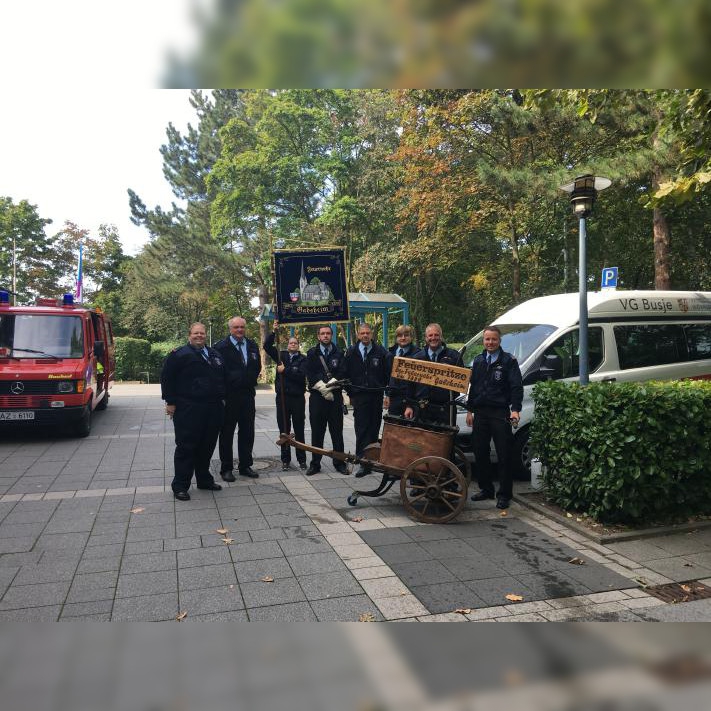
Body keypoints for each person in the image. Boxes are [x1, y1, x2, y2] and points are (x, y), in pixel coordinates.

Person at [160, 322, 225, 501]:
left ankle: (204, 479)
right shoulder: (179, 355)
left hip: (213, 408)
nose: (199, 336)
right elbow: (167, 378)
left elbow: (222, 378)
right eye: (196, 333)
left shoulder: (214, 354)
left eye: (202, 333)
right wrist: (170, 402)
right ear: (189, 335)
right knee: (186, 446)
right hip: (188, 408)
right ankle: (180, 485)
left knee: (207, 445)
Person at [465, 325, 523, 510]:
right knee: (480, 452)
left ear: (499, 341)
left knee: (504, 454)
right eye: (487, 339)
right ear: (483, 341)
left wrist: (515, 409)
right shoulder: (479, 360)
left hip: (499, 413)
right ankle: (486, 489)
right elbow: (473, 389)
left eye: (494, 339)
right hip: (481, 413)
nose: (490, 342)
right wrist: (469, 411)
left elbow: (516, 387)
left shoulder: (508, 361)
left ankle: (504, 494)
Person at [214, 316, 262, 480]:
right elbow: (217, 373)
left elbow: (257, 366)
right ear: (230, 329)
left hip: (248, 395)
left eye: (242, 327)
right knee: (227, 433)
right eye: (236, 327)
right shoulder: (221, 347)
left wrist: (249, 380)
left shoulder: (252, 345)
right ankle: (226, 468)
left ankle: (245, 465)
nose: (240, 330)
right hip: (229, 397)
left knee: (247, 432)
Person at [343, 323, 391, 478]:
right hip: (360, 396)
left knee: (373, 428)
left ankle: (372, 459)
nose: (365, 335)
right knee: (361, 429)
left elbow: (387, 375)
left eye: (367, 333)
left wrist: (386, 394)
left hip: (375, 396)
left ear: (371, 334)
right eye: (362, 333)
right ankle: (362, 461)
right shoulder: (351, 352)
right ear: (358, 335)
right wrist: (351, 393)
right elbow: (346, 374)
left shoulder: (381, 352)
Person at [263, 322, 307, 471]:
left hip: (297, 399)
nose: (293, 345)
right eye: (290, 343)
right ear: (287, 345)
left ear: (298, 345)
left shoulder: (303, 359)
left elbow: (301, 376)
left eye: (295, 343)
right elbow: (267, 347)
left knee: (299, 430)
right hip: (282, 398)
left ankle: (302, 459)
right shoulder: (281, 355)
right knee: (284, 430)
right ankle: (285, 460)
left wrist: (285, 370)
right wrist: (274, 332)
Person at [304, 324, 348, 476]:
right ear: (318, 336)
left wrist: (331, 384)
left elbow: (343, 371)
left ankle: (340, 462)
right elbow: (309, 372)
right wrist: (322, 387)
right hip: (317, 398)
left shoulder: (339, 353)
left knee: (337, 432)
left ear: (331, 335)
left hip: (335, 398)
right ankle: (315, 464)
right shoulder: (312, 353)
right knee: (317, 432)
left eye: (328, 333)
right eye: (322, 333)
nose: (325, 336)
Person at [404, 323, 464, 425]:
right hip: (422, 409)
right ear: (426, 338)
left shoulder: (454, 356)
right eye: (430, 335)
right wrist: (409, 405)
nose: (433, 338)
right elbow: (410, 384)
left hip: (445, 409)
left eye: (436, 335)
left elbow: (462, 382)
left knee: (445, 439)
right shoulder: (417, 358)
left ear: (441, 336)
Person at [384, 324, 419, 417]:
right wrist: (387, 395)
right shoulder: (389, 355)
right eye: (400, 335)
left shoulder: (418, 355)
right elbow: (387, 378)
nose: (403, 338)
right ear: (396, 338)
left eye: (406, 335)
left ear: (411, 337)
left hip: (411, 400)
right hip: (394, 400)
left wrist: (411, 404)